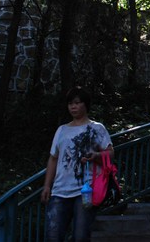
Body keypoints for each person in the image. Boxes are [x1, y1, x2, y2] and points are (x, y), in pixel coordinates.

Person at [41, 87, 114, 242]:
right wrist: (47, 185)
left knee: (81, 236)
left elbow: (110, 153)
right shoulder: (62, 130)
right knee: (53, 236)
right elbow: (53, 158)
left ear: (85, 105)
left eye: (77, 103)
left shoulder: (97, 128)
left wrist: (97, 155)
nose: (73, 107)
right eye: (70, 104)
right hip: (59, 190)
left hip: (86, 191)